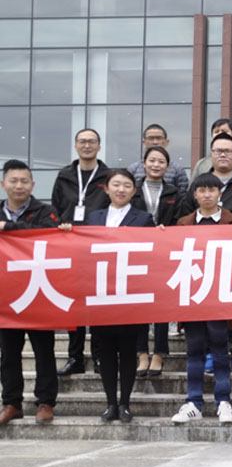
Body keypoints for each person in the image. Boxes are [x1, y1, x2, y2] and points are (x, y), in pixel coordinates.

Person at [179, 133, 232, 376]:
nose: (223, 154)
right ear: (210, 155)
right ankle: (208, 353)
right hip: (200, 262)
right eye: (218, 150)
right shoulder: (197, 185)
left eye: (228, 150)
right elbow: (183, 223)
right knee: (204, 307)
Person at [81, 169, 154, 423]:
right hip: (102, 294)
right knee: (106, 351)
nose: (121, 189)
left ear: (133, 192)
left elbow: (152, 251)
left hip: (130, 294)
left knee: (128, 350)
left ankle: (125, 403)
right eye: (116, 185)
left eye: (126, 186)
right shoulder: (94, 218)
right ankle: (110, 402)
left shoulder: (144, 218)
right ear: (106, 189)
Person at [170, 173, 232, 425]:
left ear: (220, 193)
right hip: (193, 295)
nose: (207, 195)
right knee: (194, 350)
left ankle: (223, 401)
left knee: (220, 349)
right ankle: (193, 402)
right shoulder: (183, 224)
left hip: (221, 296)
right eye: (202, 190)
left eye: (212, 190)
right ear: (195, 195)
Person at [0, 159, 60, 425]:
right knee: (8, 353)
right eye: (13, 181)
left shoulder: (46, 211)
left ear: (33, 185)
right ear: (3, 184)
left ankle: (45, 402)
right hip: (6, 296)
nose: (19, 186)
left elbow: (48, 233)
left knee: (44, 351)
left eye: (24, 181)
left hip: (38, 292)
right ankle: (11, 403)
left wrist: (8, 228)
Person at [52, 128, 110, 377]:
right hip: (70, 244)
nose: (87, 145)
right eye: (82, 142)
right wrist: (59, 225)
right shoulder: (64, 175)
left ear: (99, 146)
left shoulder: (108, 176)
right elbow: (55, 207)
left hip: (97, 246)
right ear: (76, 146)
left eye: (92, 142)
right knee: (74, 302)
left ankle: (98, 356)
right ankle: (75, 357)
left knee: (96, 303)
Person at [131, 146, 180, 378]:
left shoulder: (173, 192)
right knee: (140, 305)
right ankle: (142, 353)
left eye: (161, 161)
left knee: (161, 305)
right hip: (138, 252)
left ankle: (159, 353)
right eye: (152, 160)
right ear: (144, 164)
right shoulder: (133, 191)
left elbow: (179, 220)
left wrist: (166, 231)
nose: (156, 165)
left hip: (164, 252)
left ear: (167, 167)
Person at [126, 124, 189, 190]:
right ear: (144, 142)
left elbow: (182, 194)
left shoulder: (178, 169)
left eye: (159, 138)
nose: (155, 142)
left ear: (166, 142)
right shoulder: (133, 169)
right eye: (151, 138)